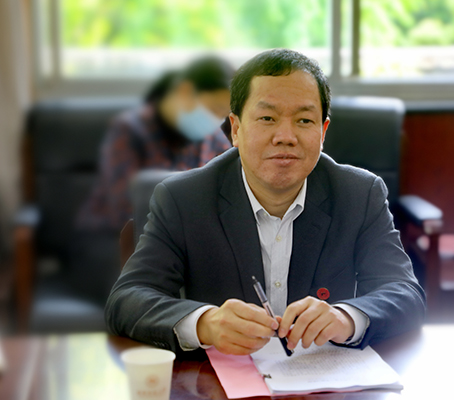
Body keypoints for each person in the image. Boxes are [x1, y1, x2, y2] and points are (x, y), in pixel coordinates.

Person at [105, 49, 425, 357]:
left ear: (323, 131)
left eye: (304, 120)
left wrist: (345, 317)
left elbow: (405, 293)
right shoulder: (183, 199)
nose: (285, 136)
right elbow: (127, 299)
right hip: (219, 379)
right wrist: (205, 323)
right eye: (267, 118)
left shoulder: (359, 194)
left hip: (323, 377)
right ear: (236, 129)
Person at [77, 55, 234, 232]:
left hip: (188, 236)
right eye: (214, 109)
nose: (216, 120)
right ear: (185, 91)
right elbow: (125, 209)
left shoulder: (215, 140)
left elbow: (228, 198)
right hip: (115, 236)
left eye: (223, 114)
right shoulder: (129, 130)